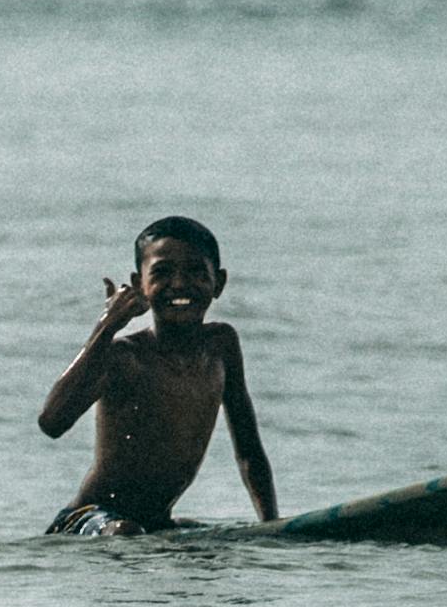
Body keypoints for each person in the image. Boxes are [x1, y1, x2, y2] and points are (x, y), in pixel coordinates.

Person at [39, 216, 279, 533]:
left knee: (216, 543)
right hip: (88, 518)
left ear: (218, 282)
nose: (179, 284)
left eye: (195, 271)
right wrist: (106, 326)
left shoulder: (222, 345)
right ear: (139, 284)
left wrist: (272, 528)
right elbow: (52, 423)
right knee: (125, 532)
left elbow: (249, 450)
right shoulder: (125, 356)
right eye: (162, 273)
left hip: (153, 523)